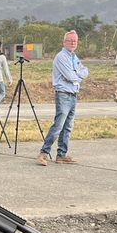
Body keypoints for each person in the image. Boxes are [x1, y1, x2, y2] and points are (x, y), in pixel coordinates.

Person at [37, 30, 89, 166]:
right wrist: (77, 74)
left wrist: (76, 74)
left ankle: (61, 155)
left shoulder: (74, 57)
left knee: (68, 127)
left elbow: (86, 71)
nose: (73, 43)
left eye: (75, 41)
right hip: (64, 94)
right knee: (58, 125)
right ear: (64, 42)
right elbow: (70, 76)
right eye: (70, 40)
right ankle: (43, 153)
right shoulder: (61, 57)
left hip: (73, 94)